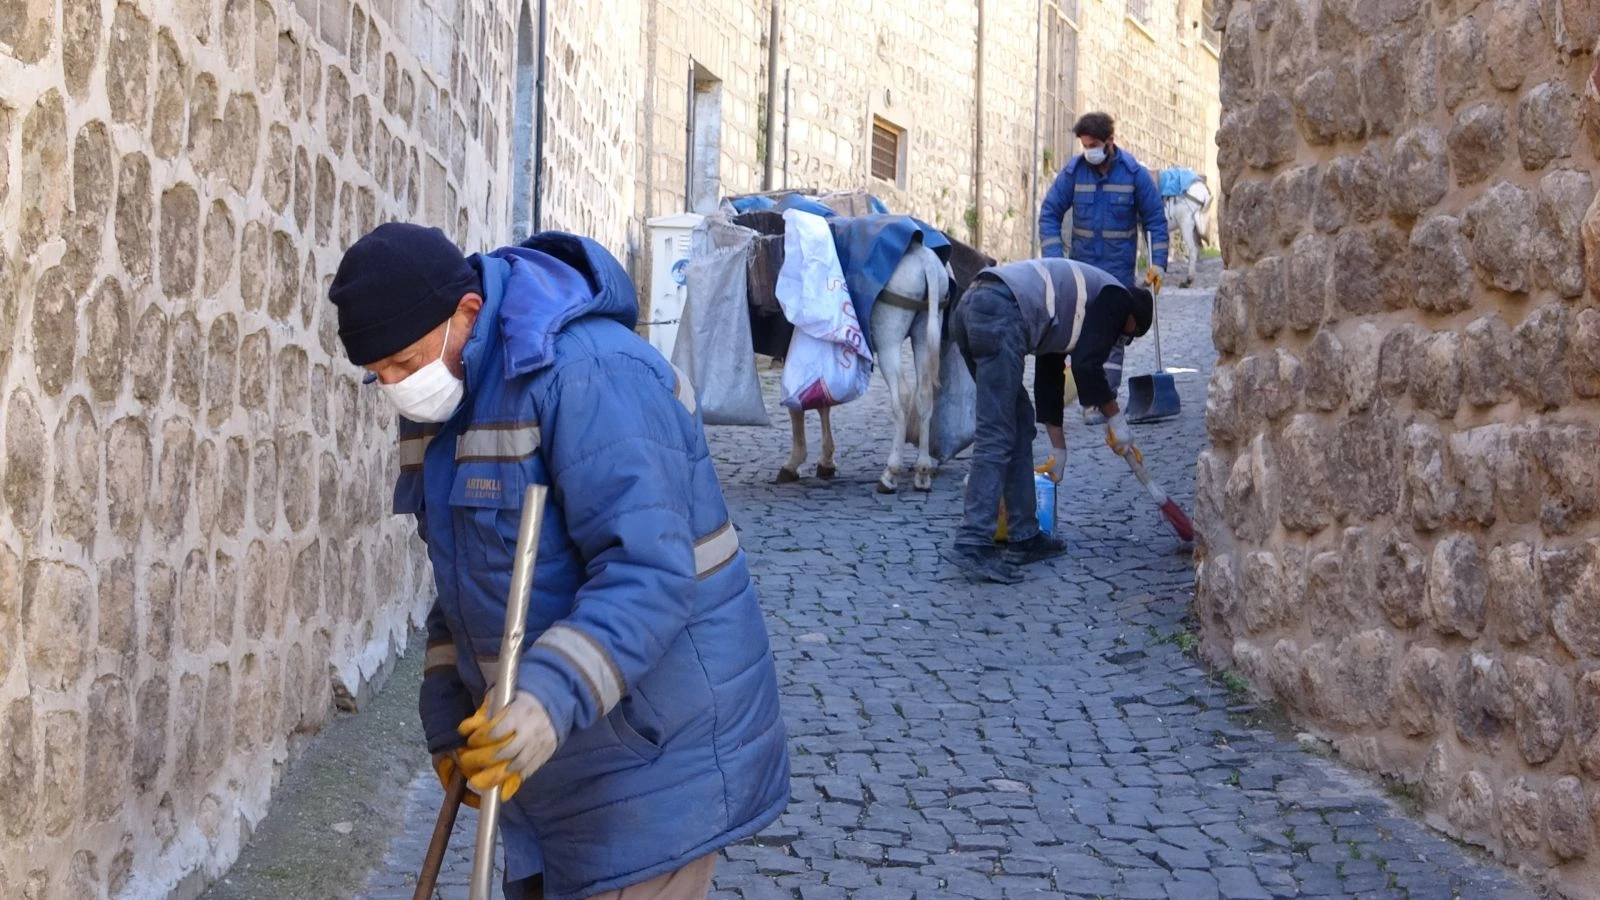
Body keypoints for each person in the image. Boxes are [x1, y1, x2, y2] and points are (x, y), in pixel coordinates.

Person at [327, 222, 791, 900]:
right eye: (379, 376)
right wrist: (444, 716)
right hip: (558, 771)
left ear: (468, 314)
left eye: (403, 363)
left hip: (653, 756)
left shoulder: (590, 373)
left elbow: (650, 574)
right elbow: (464, 572)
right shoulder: (445, 392)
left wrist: (546, 703)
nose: (396, 386)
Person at [948, 256, 1154, 584]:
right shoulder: (1117, 297)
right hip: (999, 309)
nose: (1121, 342)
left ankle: (1026, 536)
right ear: (1133, 320)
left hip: (974, 304)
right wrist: (1117, 421)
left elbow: (1050, 375)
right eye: (1127, 337)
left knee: (1018, 421)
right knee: (997, 431)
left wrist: (1059, 451)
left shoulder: (1072, 310)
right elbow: (1087, 367)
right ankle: (972, 541)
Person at [1037, 111, 1169, 430]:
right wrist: (1055, 258)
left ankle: (1103, 396)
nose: (1089, 150)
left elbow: (1155, 221)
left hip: (1117, 272)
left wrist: (1158, 265)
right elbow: (1049, 214)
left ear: (1110, 142)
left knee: (1111, 340)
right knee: (1080, 334)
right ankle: (1087, 397)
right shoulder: (1073, 173)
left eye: (1094, 144)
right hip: (1080, 271)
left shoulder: (1134, 174)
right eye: (1085, 145)